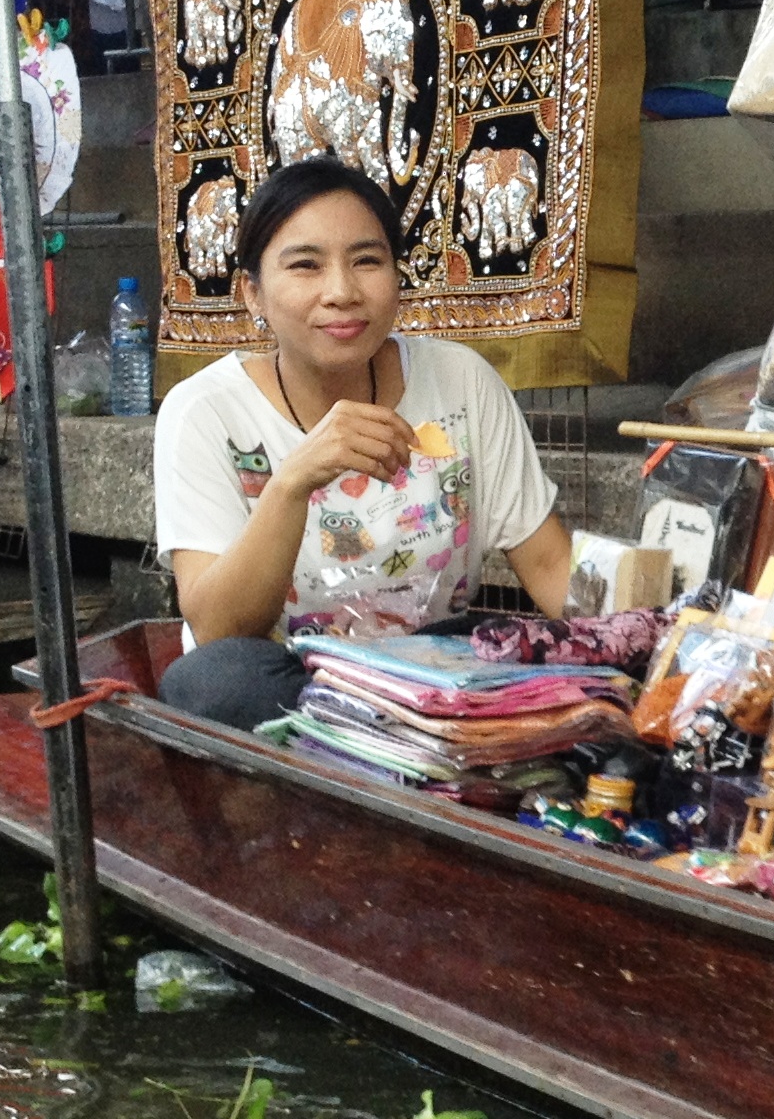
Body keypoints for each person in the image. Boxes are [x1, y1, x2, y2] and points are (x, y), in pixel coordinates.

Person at [154, 157, 574, 728]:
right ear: (252, 294)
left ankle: (415, 743)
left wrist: (638, 641)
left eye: (367, 261)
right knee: (215, 679)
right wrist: (292, 483)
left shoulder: (461, 381)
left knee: (521, 648)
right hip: (296, 688)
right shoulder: (205, 412)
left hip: (433, 675)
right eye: (305, 265)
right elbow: (217, 629)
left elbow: (548, 562)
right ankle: (377, 754)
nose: (342, 292)